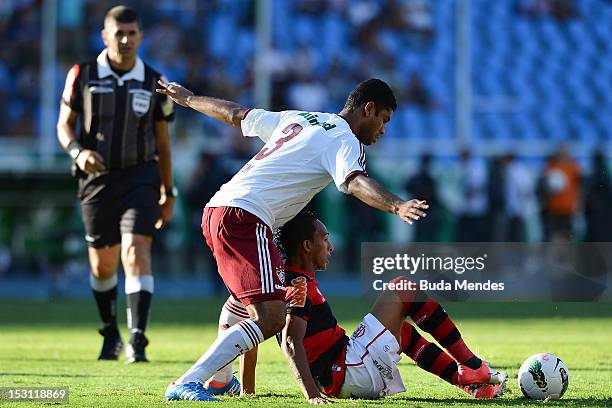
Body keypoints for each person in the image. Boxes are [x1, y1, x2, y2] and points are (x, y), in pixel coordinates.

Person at [158, 78, 429, 401]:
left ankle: (220, 380)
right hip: (246, 216)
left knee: (241, 304)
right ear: (368, 109)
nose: (383, 130)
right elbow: (355, 182)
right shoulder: (345, 140)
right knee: (271, 317)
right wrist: (396, 204)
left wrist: (189, 99)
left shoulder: (299, 118)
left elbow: (235, 114)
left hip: (221, 208)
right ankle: (187, 382)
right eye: (383, 120)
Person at [209, 212, 507, 402]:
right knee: (403, 287)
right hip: (347, 370)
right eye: (325, 239)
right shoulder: (298, 284)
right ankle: (470, 365)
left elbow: (256, 329)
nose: (331, 246)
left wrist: (248, 391)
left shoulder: (278, 282)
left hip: (342, 370)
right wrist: (311, 396)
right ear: (307, 246)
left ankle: (470, 385)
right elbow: (290, 340)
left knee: (400, 332)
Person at [56, 5, 176, 363]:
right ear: (105, 36)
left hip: (141, 175)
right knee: (102, 265)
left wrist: (168, 191)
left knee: (137, 249)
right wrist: (79, 152)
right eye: (118, 34)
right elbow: (64, 127)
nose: (125, 40)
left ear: (140, 36)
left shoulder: (155, 81)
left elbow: (163, 142)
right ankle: (111, 333)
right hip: (96, 180)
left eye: (132, 33)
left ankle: (138, 339)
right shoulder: (82, 73)